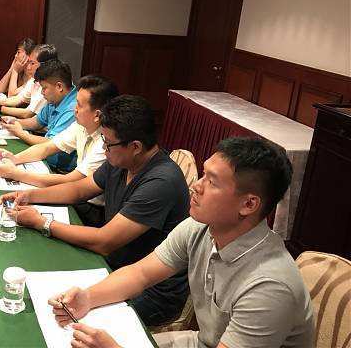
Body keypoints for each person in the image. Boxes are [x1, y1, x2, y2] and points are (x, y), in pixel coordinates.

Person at [50, 137, 315, 348]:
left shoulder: (269, 286)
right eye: (203, 175)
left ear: (248, 204)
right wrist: (88, 297)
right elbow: (140, 274)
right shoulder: (200, 227)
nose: (196, 186)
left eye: (212, 182)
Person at [0, 95, 190, 325]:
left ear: (135, 147)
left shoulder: (161, 182)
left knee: (58, 316)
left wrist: (43, 223)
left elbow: (104, 241)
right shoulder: (122, 161)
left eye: (108, 143)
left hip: (151, 291)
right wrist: (28, 195)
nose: (103, 147)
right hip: (118, 267)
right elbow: (78, 190)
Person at [0, 75, 118, 226]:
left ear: (97, 115)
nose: (74, 109)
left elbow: (71, 181)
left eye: (79, 105)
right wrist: (15, 159)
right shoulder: (81, 125)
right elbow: (47, 147)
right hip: (73, 195)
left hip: (91, 209)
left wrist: (16, 174)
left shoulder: (106, 144)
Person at [0, 58, 78, 172]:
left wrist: (21, 133)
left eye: (44, 88)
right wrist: (16, 122)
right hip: (46, 159)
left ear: (59, 87)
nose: (42, 92)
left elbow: (51, 144)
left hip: (61, 170)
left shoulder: (73, 109)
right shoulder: (56, 99)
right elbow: (36, 122)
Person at [0, 44, 57, 119]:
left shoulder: (48, 85)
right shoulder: (35, 79)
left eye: (32, 63)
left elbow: (28, 114)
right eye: (29, 62)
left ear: (45, 65)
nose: (28, 67)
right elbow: (18, 99)